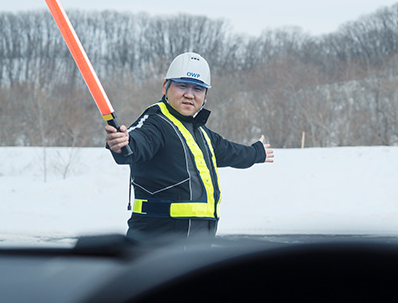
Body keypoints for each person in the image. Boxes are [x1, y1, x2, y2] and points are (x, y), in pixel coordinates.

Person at [105, 52, 274, 244]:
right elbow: (137, 142)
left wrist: (256, 153)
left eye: (198, 89)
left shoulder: (200, 133)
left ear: (205, 96)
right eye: (182, 85)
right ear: (165, 87)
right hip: (155, 245)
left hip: (196, 244)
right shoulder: (155, 123)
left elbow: (230, 151)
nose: (189, 94)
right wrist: (122, 144)